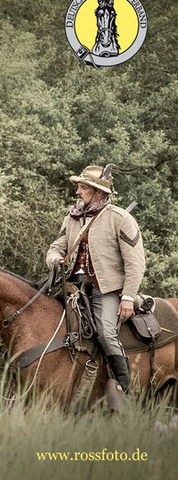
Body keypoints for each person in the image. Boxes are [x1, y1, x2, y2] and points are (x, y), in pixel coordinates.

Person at [46, 164, 144, 393]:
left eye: (82, 187)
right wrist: (54, 260)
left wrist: (128, 297)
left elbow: (136, 263)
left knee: (106, 332)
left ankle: (125, 389)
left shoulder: (120, 218)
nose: (77, 192)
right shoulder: (72, 217)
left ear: (98, 192)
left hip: (106, 289)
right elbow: (55, 247)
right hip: (72, 286)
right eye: (78, 187)